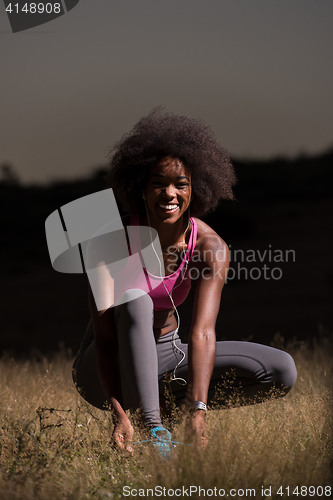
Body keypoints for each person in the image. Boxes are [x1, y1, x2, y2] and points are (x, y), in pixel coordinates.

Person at [72, 108, 297, 456]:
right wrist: (119, 415)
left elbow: (203, 332)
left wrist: (198, 411)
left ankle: (170, 412)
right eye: (158, 184)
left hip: (167, 354)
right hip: (104, 369)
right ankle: (153, 430)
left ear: (197, 188)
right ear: (140, 188)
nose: (170, 194)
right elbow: (103, 340)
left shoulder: (210, 247)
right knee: (136, 298)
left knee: (281, 370)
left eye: (181, 184)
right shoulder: (108, 243)